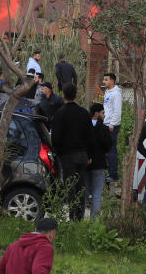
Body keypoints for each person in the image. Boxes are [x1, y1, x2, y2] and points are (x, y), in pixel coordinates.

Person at [50, 84, 93, 220]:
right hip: (82, 155)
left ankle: (72, 215)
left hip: (67, 155)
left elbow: (55, 137)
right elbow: (90, 136)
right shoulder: (84, 113)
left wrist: (58, 153)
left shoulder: (59, 114)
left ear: (63, 95)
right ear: (76, 95)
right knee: (81, 187)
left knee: (70, 186)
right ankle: (79, 217)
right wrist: (89, 155)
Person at [85, 103, 113, 218]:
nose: (104, 115)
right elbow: (109, 145)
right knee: (97, 193)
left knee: (84, 193)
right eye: (103, 112)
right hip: (99, 164)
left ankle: (78, 219)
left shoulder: (84, 127)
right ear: (96, 114)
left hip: (85, 164)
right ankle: (94, 220)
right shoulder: (103, 129)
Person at [102, 72, 123, 182]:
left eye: (106, 79)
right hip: (106, 124)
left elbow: (117, 111)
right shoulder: (108, 92)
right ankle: (108, 171)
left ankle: (113, 174)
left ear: (112, 81)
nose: (103, 81)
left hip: (112, 126)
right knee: (106, 150)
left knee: (111, 150)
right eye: (104, 79)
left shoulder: (116, 94)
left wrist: (111, 124)